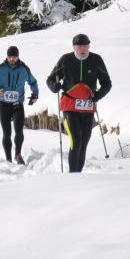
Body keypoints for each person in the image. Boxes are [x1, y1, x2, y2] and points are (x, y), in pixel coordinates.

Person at [46, 34, 112, 173]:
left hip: (87, 107)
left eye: (85, 46)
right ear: (74, 47)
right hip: (69, 105)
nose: (82, 49)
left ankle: (78, 176)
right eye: (79, 46)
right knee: (75, 140)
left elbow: (107, 83)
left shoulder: (96, 59)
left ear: (89, 46)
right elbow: (50, 80)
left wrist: (98, 95)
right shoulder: (66, 59)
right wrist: (55, 87)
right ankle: (73, 175)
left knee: (84, 143)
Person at [0, 46, 39, 164]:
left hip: (17, 105)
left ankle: (18, 154)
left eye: (14, 57)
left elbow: (33, 82)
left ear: (18, 56)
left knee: (19, 131)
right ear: (7, 56)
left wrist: (35, 94)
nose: (12, 59)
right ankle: (8, 159)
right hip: (3, 105)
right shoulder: (0, 69)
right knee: (7, 133)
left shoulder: (24, 69)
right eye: (10, 57)